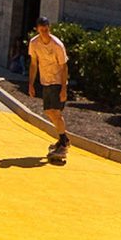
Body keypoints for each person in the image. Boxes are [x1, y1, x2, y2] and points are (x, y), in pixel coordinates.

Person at [27, 16, 71, 163]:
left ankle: (64, 144)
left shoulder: (57, 45)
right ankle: (63, 138)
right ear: (37, 30)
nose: (44, 33)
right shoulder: (34, 43)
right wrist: (31, 84)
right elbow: (34, 64)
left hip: (58, 81)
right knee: (48, 111)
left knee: (56, 113)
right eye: (41, 30)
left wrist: (64, 88)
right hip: (45, 81)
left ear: (49, 28)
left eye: (46, 30)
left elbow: (64, 67)